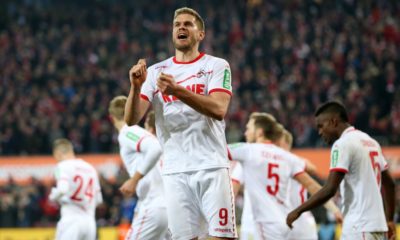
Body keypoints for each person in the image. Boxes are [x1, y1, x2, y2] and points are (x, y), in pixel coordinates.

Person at [124, 7, 236, 240]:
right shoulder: (155, 72)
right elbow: (132, 119)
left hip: (212, 167)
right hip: (175, 171)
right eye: (177, 25)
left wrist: (177, 91)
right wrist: (135, 88)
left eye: (188, 24)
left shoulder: (216, 65)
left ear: (200, 34)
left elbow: (219, 109)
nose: (181, 27)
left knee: (221, 237)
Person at [287, 101, 396, 240]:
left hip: (359, 226)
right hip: (377, 227)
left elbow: (330, 189)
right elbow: (390, 184)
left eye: (321, 126)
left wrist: (298, 211)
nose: (320, 132)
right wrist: (390, 219)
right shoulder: (371, 141)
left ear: (333, 121)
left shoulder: (342, 144)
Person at [229, 113, 341, 239]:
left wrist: (224, 219)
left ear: (260, 132)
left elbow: (231, 189)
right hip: (286, 223)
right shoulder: (289, 159)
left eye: (248, 128)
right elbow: (312, 178)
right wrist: (335, 210)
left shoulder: (248, 154)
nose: (245, 133)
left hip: (259, 225)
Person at [109, 96, 168, 240]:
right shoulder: (142, 134)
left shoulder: (128, 132)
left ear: (111, 118)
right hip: (167, 205)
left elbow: (155, 148)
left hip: (153, 205)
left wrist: (134, 180)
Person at [49, 138, 103, 240]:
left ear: (57, 153)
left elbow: (62, 189)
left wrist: (53, 197)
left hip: (71, 220)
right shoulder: (91, 168)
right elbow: (99, 199)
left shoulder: (61, 166)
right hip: (90, 223)